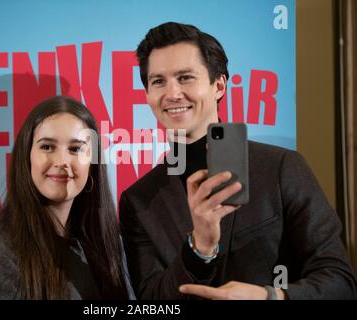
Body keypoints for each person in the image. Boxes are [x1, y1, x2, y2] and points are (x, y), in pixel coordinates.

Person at [119, 22, 357, 300]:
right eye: (158, 81)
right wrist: (199, 248)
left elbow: (340, 282)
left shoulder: (280, 167)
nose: (172, 93)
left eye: (185, 77)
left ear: (218, 85)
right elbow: (152, 301)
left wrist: (271, 297)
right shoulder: (138, 201)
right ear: (147, 95)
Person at [0, 96, 135, 299]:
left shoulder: (107, 238)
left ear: (92, 163)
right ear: (27, 156)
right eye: (47, 147)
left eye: (75, 149)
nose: (62, 161)